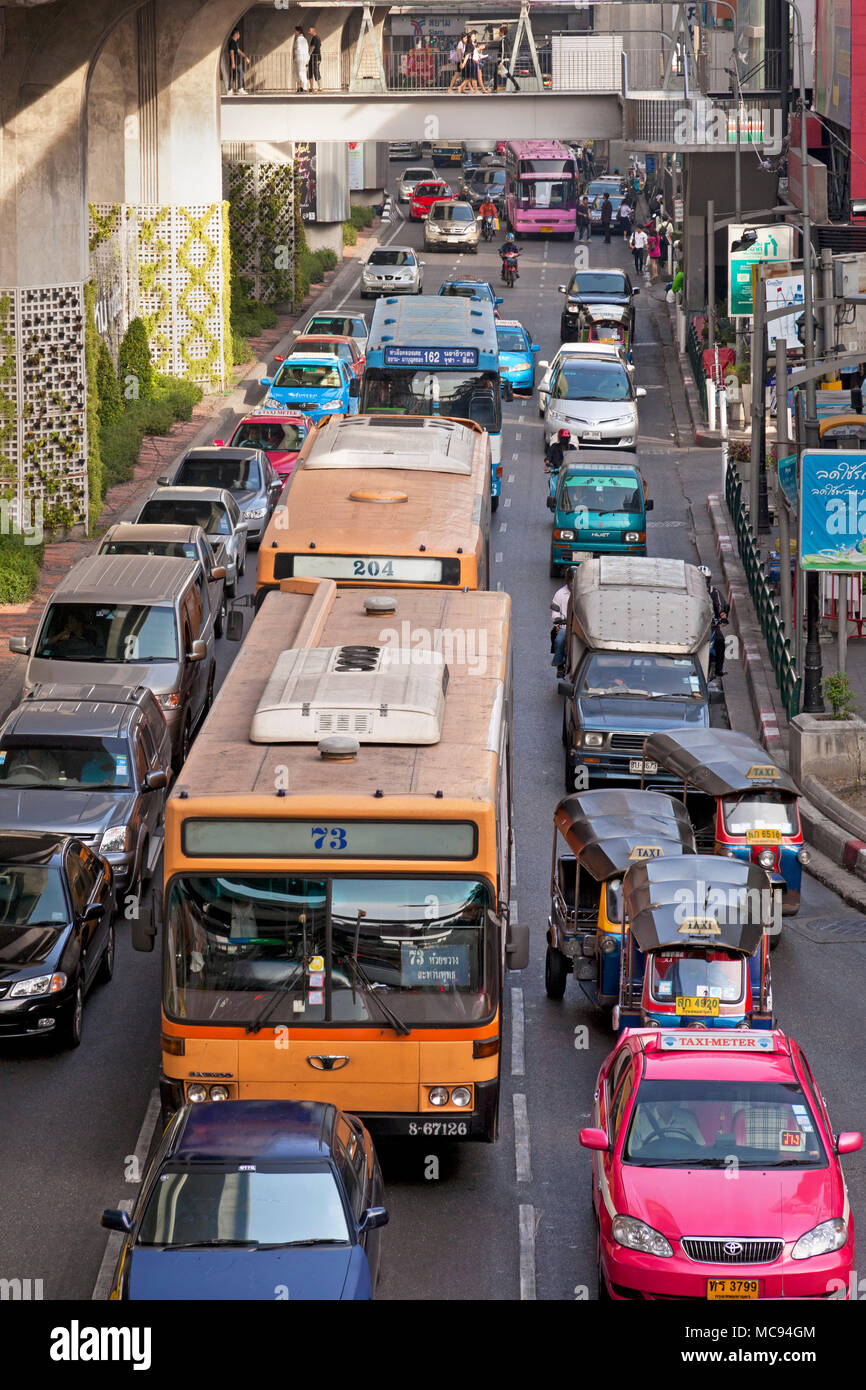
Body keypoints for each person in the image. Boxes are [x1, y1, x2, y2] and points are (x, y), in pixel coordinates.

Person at [700, 566, 729, 678]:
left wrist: (723, 616)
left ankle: (718, 670)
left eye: (706, 579)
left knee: (720, 642)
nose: (704, 582)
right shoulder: (691, 592)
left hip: (712, 626)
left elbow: (720, 605)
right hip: (697, 626)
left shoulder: (714, 592)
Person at [551, 568, 576, 670]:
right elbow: (555, 611)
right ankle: (559, 663)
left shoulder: (583, 593)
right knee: (559, 640)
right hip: (564, 627)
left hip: (580, 628)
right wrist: (557, 623)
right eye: (570, 580)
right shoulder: (560, 593)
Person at [494, 24, 520, 91]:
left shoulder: (503, 40)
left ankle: (495, 88)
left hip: (502, 59)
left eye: (500, 31)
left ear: (502, 32)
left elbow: (503, 50)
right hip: (505, 59)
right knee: (507, 74)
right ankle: (516, 86)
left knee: (496, 73)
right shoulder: (506, 39)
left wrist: (501, 61)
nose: (499, 33)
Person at [226, 28, 250, 94]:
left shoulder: (235, 42)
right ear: (236, 34)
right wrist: (233, 63)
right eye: (238, 33)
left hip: (237, 62)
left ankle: (235, 88)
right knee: (236, 74)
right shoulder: (232, 42)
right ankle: (234, 89)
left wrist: (245, 57)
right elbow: (232, 52)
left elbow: (239, 51)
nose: (239, 35)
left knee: (238, 74)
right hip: (235, 62)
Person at [293, 26, 310, 92]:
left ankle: (304, 87)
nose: (295, 33)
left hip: (300, 58)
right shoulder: (304, 39)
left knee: (300, 72)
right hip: (305, 58)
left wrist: (295, 57)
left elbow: (297, 49)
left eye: (295, 31)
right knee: (302, 72)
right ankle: (302, 86)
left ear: (298, 31)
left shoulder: (299, 39)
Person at [307, 25, 322, 92]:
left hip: (315, 57)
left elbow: (312, 48)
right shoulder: (317, 38)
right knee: (311, 71)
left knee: (316, 71)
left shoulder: (315, 38)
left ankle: (319, 87)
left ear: (313, 31)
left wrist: (308, 55)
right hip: (315, 57)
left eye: (310, 31)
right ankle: (312, 87)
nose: (309, 32)